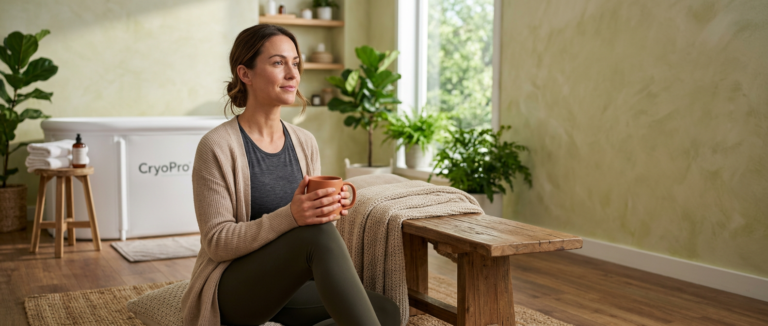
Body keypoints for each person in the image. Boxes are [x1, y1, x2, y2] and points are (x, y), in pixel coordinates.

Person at [180, 24, 400, 326]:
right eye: (278, 62)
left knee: (386, 312)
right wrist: (293, 216)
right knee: (318, 238)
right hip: (233, 291)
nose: (293, 74)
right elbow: (217, 242)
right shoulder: (217, 146)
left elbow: (313, 230)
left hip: (288, 286)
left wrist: (328, 209)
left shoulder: (304, 142)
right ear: (245, 74)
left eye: (295, 63)